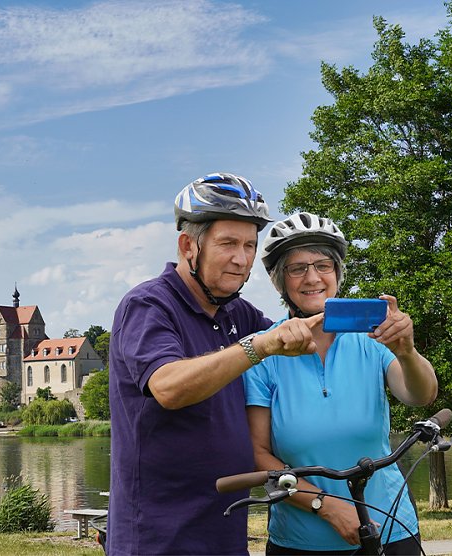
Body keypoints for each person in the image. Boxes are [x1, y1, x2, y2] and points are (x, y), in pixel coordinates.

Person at [107, 173, 323, 556]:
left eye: (250, 245)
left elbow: (299, 342)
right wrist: (260, 345)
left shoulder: (237, 313)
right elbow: (168, 387)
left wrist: (365, 325)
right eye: (228, 244)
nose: (241, 259)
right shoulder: (149, 306)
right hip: (159, 538)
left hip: (224, 531)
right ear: (188, 246)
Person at [244, 212, 438, 555]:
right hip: (300, 540)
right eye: (297, 268)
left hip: (390, 528)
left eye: (323, 265)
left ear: (337, 273)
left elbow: (420, 395)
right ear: (279, 281)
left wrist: (406, 352)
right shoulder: (263, 349)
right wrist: (329, 507)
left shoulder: (372, 336)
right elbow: (259, 455)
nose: (312, 277)